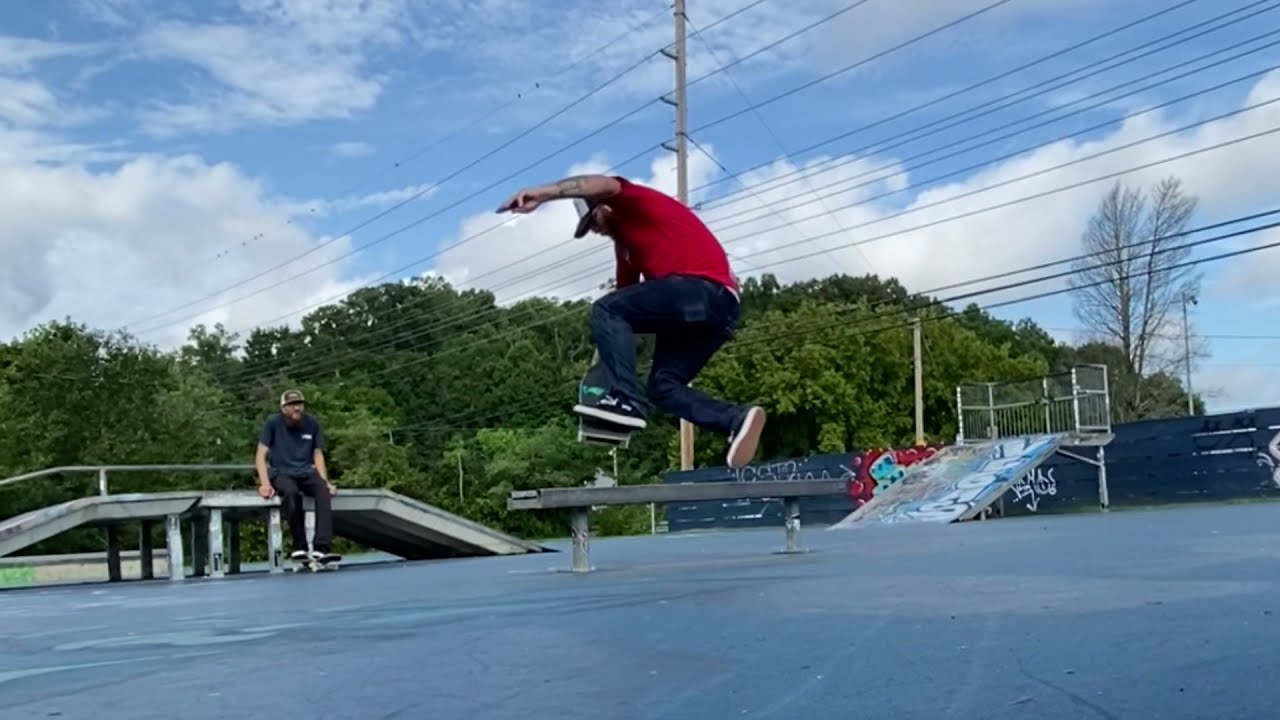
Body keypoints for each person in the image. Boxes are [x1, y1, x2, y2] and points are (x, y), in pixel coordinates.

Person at [496, 173, 766, 468]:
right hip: (714, 316)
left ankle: (626, 399)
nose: (596, 230)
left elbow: (604, 185)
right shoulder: (625, 249)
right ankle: (734, 419)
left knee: (606, 309)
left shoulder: (635, 204)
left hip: (701, 291)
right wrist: (600, 369)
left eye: (594, 221)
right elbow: (623, 309)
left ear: (604, 207)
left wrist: (544, 193)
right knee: (663, 387)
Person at [255, 389, 340, 566]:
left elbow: (317, 455)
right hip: (281, 472)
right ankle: (299, 546)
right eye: (292, 405)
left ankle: (321, 548)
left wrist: (325, 481)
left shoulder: (312, 423)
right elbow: (260, 455)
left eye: (299, 404)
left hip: (306, 472)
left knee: (323, 492)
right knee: (291, 493)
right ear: (283, 408)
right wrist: (265, 483)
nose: (297, 409)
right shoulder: (273, 423)